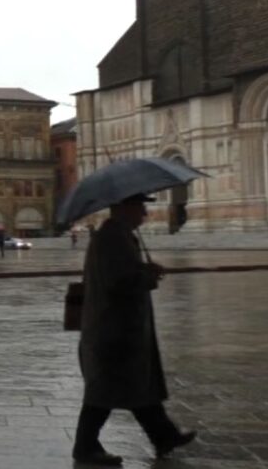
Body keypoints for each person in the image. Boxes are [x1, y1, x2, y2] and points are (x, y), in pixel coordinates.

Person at [73, 194, 195, 465]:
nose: (145, 214)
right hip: (114, 329)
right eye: (140, 207)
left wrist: (143, 268)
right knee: (104, 393)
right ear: (124, 208)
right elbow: (119, 282)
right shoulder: (112, 238)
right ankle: (84, 448)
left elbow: (121, 272)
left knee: (136, 386)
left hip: (117, 327)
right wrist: (147, 276)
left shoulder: (117, 236)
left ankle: (164, 435)